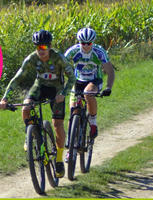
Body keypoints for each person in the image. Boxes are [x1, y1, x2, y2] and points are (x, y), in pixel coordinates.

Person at [0, 29, 76, 178]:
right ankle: (30, 134)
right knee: (26, 106)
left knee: (57, 124)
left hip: (57, 89)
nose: (41, 50)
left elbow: (72, 77)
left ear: (49, 46)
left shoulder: (59, 58)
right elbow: (17, 78)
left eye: (44, 47)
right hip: (40, 86)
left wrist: (63, 93)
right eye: (38, 47)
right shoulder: (31, 59)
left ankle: (59, 159)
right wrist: (4, 98)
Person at [64, 27, 115, 144]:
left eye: (89, 43)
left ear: (93, 42)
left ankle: (93, 122)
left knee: (88, 93)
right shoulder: (72, 51)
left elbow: (110, 71)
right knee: (73, 111)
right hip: (77, 80)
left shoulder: (99, 52)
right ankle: (71, 142)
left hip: (94, 80)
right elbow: (60, 67)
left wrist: (108, 87)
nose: (86, 46)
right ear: (79, 42)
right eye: (83, 43)